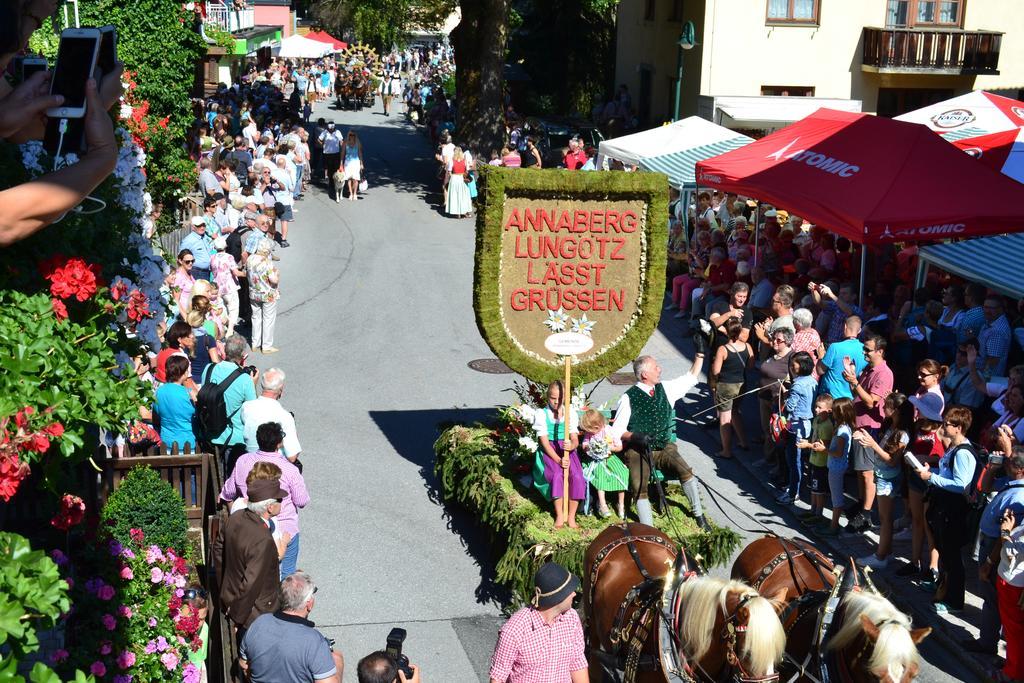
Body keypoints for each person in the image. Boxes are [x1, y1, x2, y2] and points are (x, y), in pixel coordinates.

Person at [612, 353, 709, 529]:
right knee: (639, 485)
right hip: (638, 450)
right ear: (644, 375)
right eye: (655, 367)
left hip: (664, 447)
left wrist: (699, 354)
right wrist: (635, 436)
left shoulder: (666, 388)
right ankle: (648, 528)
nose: (660, 369)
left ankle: (699, 516)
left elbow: (691, 377)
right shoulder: (628, 398)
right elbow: (617, 430)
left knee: (686, 471)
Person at [222, 422, 309, 578]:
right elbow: (301, 500)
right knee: (286, 574)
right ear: (279, 442)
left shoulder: (243, 461)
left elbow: (228, 491)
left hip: (250, 525)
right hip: (285, 528)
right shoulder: (290, 469)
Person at [914, 405, 976, 613]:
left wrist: (931, 477)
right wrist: (932, 471)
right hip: (944, 507)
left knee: (953, 557)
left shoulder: (963, 453)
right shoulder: (953, 448)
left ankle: (954, 601)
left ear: (958, 428)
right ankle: (942, 586)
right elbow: (948, 474)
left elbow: (960, 485)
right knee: (944, 551)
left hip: (954, 511)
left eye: (947, 423)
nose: (943, 426)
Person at [488, 562, 588, 683]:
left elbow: (577, 662)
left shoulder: (571, 618)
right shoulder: (514, 630)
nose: (574, 593)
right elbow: (498, 677)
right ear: (556, 596)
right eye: (569, 591)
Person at [239, 571, 344, 683]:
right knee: (337, 657)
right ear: (309, 604)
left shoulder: (260, 623)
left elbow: (244, 665)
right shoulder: (314, 641)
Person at [969, 444, 1024, 657]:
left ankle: (988, 643)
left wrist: (989, 563)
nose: (1007, 463)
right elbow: (984, 487)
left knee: (992, 598)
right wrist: (992, 467)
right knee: (992, 598)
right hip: (989, 543)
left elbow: (1006, 538)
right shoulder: (1010, 483)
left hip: (995, 548)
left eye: (1010, 461)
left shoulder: (1019, 498)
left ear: (1019, 469)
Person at [215, 477, 286, 629]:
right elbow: (251, 582)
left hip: (230, 597)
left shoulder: (235, 517)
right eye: (279, 499)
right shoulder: (263, 540)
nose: (282, 501)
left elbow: (218, 552)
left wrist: (225, 590)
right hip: (255, 615)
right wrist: (237, 617)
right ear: (270, 507)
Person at [854, 393, 913, 569]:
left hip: (888, 478)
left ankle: (880, 557)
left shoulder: (902, 434)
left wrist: (872, 444)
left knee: (885, 519)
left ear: (896, 410)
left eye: (887, 405)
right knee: (884, 517)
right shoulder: (891, 426)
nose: (883, 408)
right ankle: (886, 551)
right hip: (882, 475)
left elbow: (892, 459)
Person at [842, 334, 894, 532]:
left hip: (871, 427)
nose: (864, 353)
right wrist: (852, 377)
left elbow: (871, 401)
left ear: (880, 351)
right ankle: (862, 502)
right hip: (860, 424)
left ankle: (866, 514)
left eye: (868, 350)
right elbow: (857, 393)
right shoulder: (868, 368)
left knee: (867, 473)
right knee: (859, 470)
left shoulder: (883, 373)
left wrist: (855, 382)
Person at [532, 380, 586, 529]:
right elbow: (543, 441)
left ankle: (571, 516)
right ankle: (560, 515)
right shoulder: (542, 414)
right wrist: (558, 459)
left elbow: (574, 437)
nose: (556, 402)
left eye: (560, 399)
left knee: (577, 476)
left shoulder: (569, 413)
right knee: (557, 475)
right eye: (552, 398)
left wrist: (573, 445)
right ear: (547, 397)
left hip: (566, 449)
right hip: (550, 450)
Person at [205, 334, 259, 475]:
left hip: (209, 434)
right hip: (234, 439)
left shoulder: (209, 369)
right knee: (233, 482)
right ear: (243, 355)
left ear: (225, 351)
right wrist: (252, 385)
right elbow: (252, 410)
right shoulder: (245, 380)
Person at [709, 317, 752, 459]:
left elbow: (716, 371)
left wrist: (714, 384)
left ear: (726, 331)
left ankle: (726, 451)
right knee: (735, 412)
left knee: (725, 418)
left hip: (726, 385)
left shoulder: (723, 349)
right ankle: (744, 442)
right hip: (742, 384)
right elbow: (750, 366)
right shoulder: (748, 346)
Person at [241, 368, 302, 462]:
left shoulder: (246, 407)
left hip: (250, 464)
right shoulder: (284, 417)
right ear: (280, 390)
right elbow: (292, 457)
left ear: (262, 385)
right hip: (273, 469)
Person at [755, 327, 793, 476]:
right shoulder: (773, 353)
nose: (774, 342)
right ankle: (768, 458)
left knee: (777, 433)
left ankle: (778, 465)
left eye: (779, 340)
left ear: (788, 342)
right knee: (766, 429)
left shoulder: (791, 357)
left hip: (778, 401)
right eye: (774, 339)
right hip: (764, 396)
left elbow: (794, 378)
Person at [780, 351, 816, 504]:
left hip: (797, 426)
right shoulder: (812, 380)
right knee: (800, 459)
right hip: (808, 424)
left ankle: (793, 493)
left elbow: (790, 406)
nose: (791, 367)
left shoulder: (798, 385)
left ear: (800, 366)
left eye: (793, 364)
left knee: (795, 460)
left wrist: (786, 394)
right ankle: (794, 486)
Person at [579, 409, 629, 519]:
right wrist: (589, 448)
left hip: (610, 458)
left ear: (599, 425)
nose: (591, 433)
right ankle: (603, 504)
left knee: (622, 473)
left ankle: (621, 504)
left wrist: (609, 447)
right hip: (596, 460)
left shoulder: (610, 431)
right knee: (600, 475)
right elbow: (584, 445)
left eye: (592, 431)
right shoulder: (589, 434)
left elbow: (619, 447)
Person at [817, 397, 856, 536]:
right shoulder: (842, 427)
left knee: (836, 498)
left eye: (834, 411)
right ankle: (833, 524)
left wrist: (824, 449)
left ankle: (834, 527)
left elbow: (838, 453)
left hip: (836, 468)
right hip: (836, 467)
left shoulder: (842, 431)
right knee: (835, 495)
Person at [797, 394, 834, 526]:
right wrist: (808, 442)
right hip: (813, 460)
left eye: (819, 408)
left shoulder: (827, 426)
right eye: (815, 407)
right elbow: (814, 439)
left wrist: (808, 445)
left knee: (819, 490)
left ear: (829, 410)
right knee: (813, 488)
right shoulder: (816, 421)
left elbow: (823, 447)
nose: (816, 410)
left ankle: (818, 514)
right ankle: (812, 510)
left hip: (821, 463)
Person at [816, 316, 866, 401]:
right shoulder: (865, 350)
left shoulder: (835, 347)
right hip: (850, 398)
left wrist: (821, 356)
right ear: (860, 330)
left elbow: (820, 370)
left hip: (830, 398)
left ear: (845, 327)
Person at [153, 355, 196, 451]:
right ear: (184, 373)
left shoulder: (159, 392)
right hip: (188, 443)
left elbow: (156, 417)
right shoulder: (189, 393)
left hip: (166, 443)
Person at [248, 238, 281, 354]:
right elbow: (274, 280)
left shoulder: (250, 259)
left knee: (255, 317)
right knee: (268, 319)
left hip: (254, 293)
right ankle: (266, 346)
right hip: (267, 294)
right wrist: (277, 274)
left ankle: (254, 343)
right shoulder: (267, 263)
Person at [211, 236, 243, 336]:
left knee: (222, 309)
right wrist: (246, 274)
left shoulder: (212, 258)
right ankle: (230, 330)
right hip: (230, 287)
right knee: (233, 309)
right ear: (226, 246)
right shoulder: (229, 257)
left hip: (218, 288)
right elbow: (236, 272)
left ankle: (223, 329)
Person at [180, 215, 215, 282]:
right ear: (193, 227)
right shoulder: (188, 240)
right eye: (199, 226)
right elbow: (181, 257)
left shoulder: (205, 237)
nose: (202, 228)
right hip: (196, 272)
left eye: (203, 225)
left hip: (208, 272)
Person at [318, 122, 344, 200]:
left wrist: (342, 147)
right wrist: (323, 145)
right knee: (329, 168)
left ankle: (335, 183)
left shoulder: (338, 132)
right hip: (327, 153)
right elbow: (319, 140)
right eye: (330, 129)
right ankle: (331, 183)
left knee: (336, 169)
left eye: (332, 129)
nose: (331, 130)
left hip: (336, 153)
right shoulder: (325, 132)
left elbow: (341, 141)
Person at [445, 147, 473, 219]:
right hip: (462, 178)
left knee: (455, 196)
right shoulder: (465, 161)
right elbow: (467, 170)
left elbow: (449, 171)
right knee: (463, 196)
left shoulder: (452, 161)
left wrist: (452, 176)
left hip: (454, 178)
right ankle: (464, 212)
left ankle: (458, 213)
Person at [341, 130, 364, 202]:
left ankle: (355, 193)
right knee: (349, 179)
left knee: (356, 179)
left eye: (353, 135)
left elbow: (360, 154)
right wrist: (341, 163)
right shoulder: (345, 143)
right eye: (350, 135)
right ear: (348, 135)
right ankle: (350, 193)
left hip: (356, 162)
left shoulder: (358, 143)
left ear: (355, 136)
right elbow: (342, 154)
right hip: (347, 163)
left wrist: (361, 163)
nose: (352, 136)